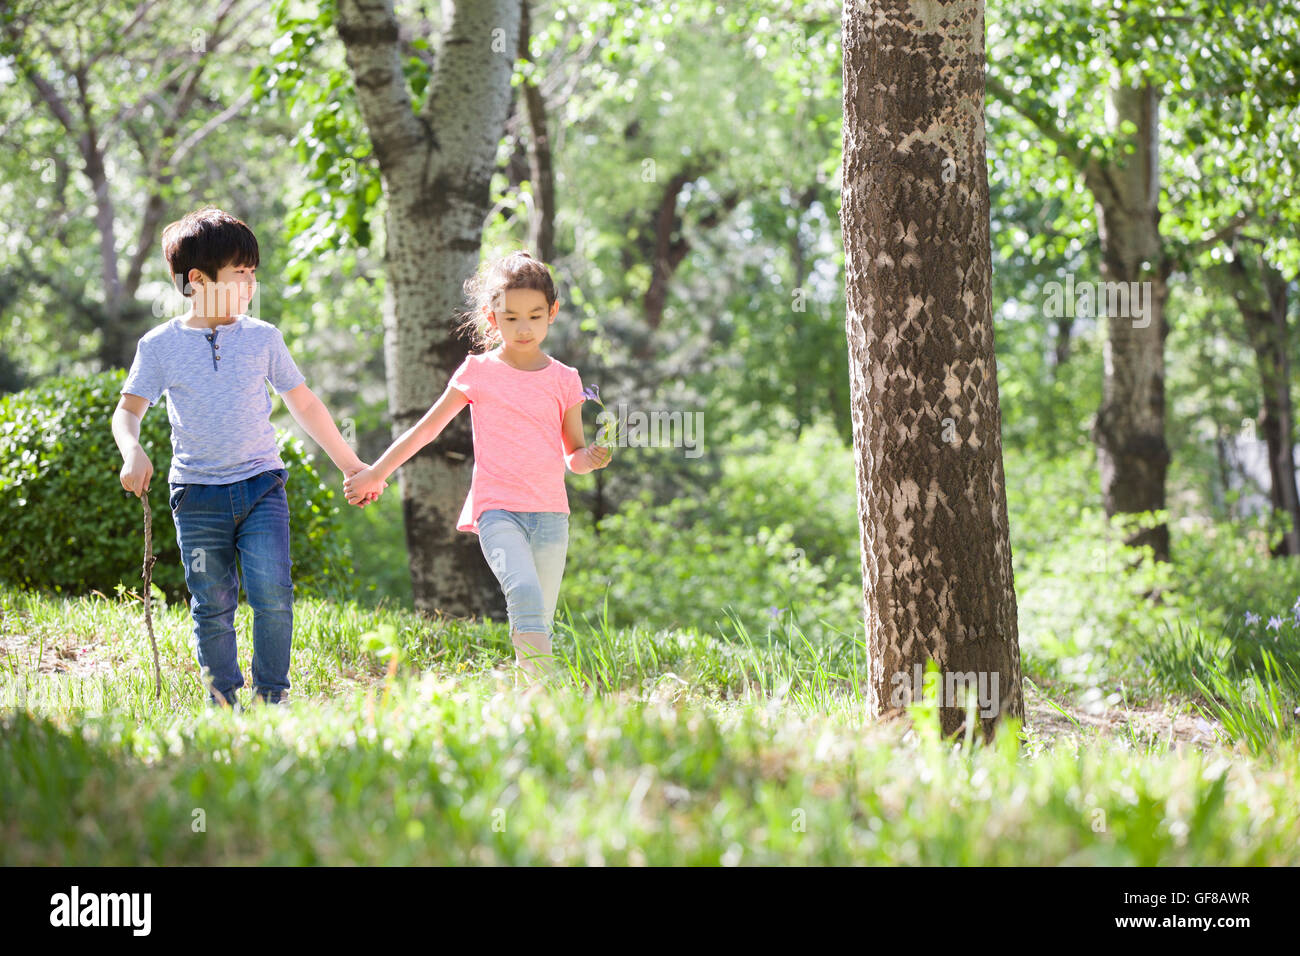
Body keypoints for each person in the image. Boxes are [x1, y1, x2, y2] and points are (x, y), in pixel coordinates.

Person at [112, 206, 384, 710]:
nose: (251, 284)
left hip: (262, 485)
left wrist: (352, 465)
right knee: (211, 606)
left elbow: (304, 403)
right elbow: (126, 413)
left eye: (254, 273)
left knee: (273, 596)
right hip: (195, 496)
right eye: (241, 273)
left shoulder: (263, 338)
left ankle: (272, 699)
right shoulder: (160, 346)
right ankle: (223, 700)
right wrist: (133, 450)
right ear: (198, 279)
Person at [343, 250, 611, 686]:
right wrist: (377, 471)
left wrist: (592, 457)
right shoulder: (478, 372)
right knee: (522, 591)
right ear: (491, 317)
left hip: (551, 516)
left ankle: (531, 702)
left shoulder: (565, 378)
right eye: (510, 318)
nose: (523, 328)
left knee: (539, 616)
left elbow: (574, 456)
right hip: (497, 510)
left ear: (552, 313)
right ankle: (547, 691)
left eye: (534, 316)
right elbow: (425, 430)